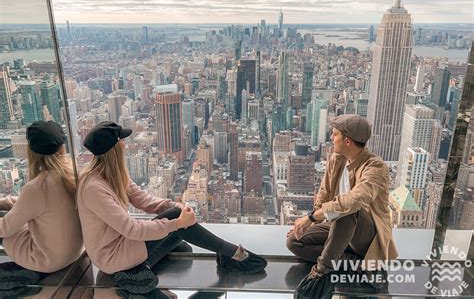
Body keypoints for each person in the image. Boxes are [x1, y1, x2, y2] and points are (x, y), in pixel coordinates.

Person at [78, 121, 267, 282]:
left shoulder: (113, 174)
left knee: (182, 241)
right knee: (179, 229)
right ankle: (235, 255)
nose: (125, 145)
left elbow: (144, 200)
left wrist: (174, 206)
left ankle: (140, 269)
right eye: (122, 141)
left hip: (123, 243)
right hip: (112, 256)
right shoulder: (94, 188)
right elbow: (132, 229)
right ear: (114, 149)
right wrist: (178, 221)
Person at [287, 114, 398, 284]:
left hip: (365, 236)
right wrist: (311, 226)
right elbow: (324, 194)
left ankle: (322, 270)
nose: (331, 138)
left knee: (346, 211)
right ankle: (356, 264)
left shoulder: (375, 167)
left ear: (348, 141)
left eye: (335, 134)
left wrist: (309, 218)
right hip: (338, 228)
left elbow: (354, 202)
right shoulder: (336, 159)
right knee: (294, 241)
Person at [0, 121, 83, 273]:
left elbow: (5, 228)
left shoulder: (36, 188)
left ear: (32, 152)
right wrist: (14, 204)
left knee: (7, 235)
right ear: (62, 147)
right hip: (76, 253)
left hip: (48, 261)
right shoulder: (73, 173)